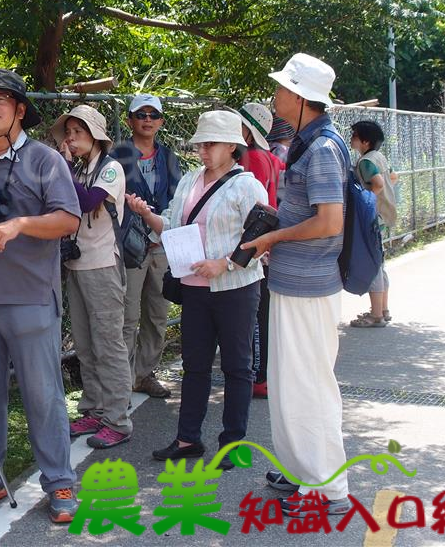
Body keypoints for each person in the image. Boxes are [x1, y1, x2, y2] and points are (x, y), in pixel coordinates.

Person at [0, 69, 81, 524]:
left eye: (1, 99)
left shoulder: (45, 160)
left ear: (20, 110)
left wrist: (21, 224)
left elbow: (68, 220)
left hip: (29, 297)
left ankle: (59, 482)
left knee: (43, 395)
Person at [239, 53, 351, 518]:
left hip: (308, 284)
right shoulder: (310, 141)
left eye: (282, 88)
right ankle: (303, 471)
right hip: (294, 280)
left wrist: (273, 236)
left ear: (302, 98)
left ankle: (327, 488)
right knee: (290, 383)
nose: (275, 94)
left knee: (309, 386)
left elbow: (329, 222)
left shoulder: (321, 149)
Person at [127, 111, 268, 470]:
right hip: (193, 287)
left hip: (235, 287)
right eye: (200, 144)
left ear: (231, 146)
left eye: (211, 144)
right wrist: (147, 215)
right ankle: (187, 437)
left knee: (238, 367)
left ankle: (232, 443)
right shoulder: (190, 179)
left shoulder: (246, 185)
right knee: (195, 365)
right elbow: (172, 225)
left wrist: (226, 263)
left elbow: (261, 236)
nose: (203, 150)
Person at [52, 105, 132, 449]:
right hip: (78, 266)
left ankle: (118, 419)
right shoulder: (81, 168)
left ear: (96, 135)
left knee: (109, 345)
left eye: (78, 133)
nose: (70, 139)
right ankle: (94, 409)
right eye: (68, 133)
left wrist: (65, 166)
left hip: (102, 265)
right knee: (85, 345)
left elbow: (86, 202)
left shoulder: (109, 169)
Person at [110, 94, 182, 399]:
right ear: (130, 120)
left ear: (161, 122)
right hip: (129, 245)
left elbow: (177, 199)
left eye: (154, 115)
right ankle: (122, 380)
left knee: (157, 313)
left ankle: (144, 373)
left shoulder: (168, 156)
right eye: (141, 114)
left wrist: (158, 225)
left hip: (161, 243)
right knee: (127, 316)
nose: (148, 120)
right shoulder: (117, 155)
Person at [235, 102, 285, 400]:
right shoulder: (269, 156)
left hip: (256, 243)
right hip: (269, 242)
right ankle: (263, 373)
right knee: (262, 313)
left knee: (255, 317)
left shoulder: (252, 157)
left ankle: (258, 376)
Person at [348, 120, 398, 328]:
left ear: (365, 141)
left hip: (373, 217)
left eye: (355, 136)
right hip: (385, 215)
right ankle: (383, 309)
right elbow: (392, 177)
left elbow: (377, 183)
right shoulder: (379, 157)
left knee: (373, 263)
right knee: (380, 262)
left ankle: (376, 315)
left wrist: (365, 200)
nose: (351, 139)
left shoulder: (365, 162)